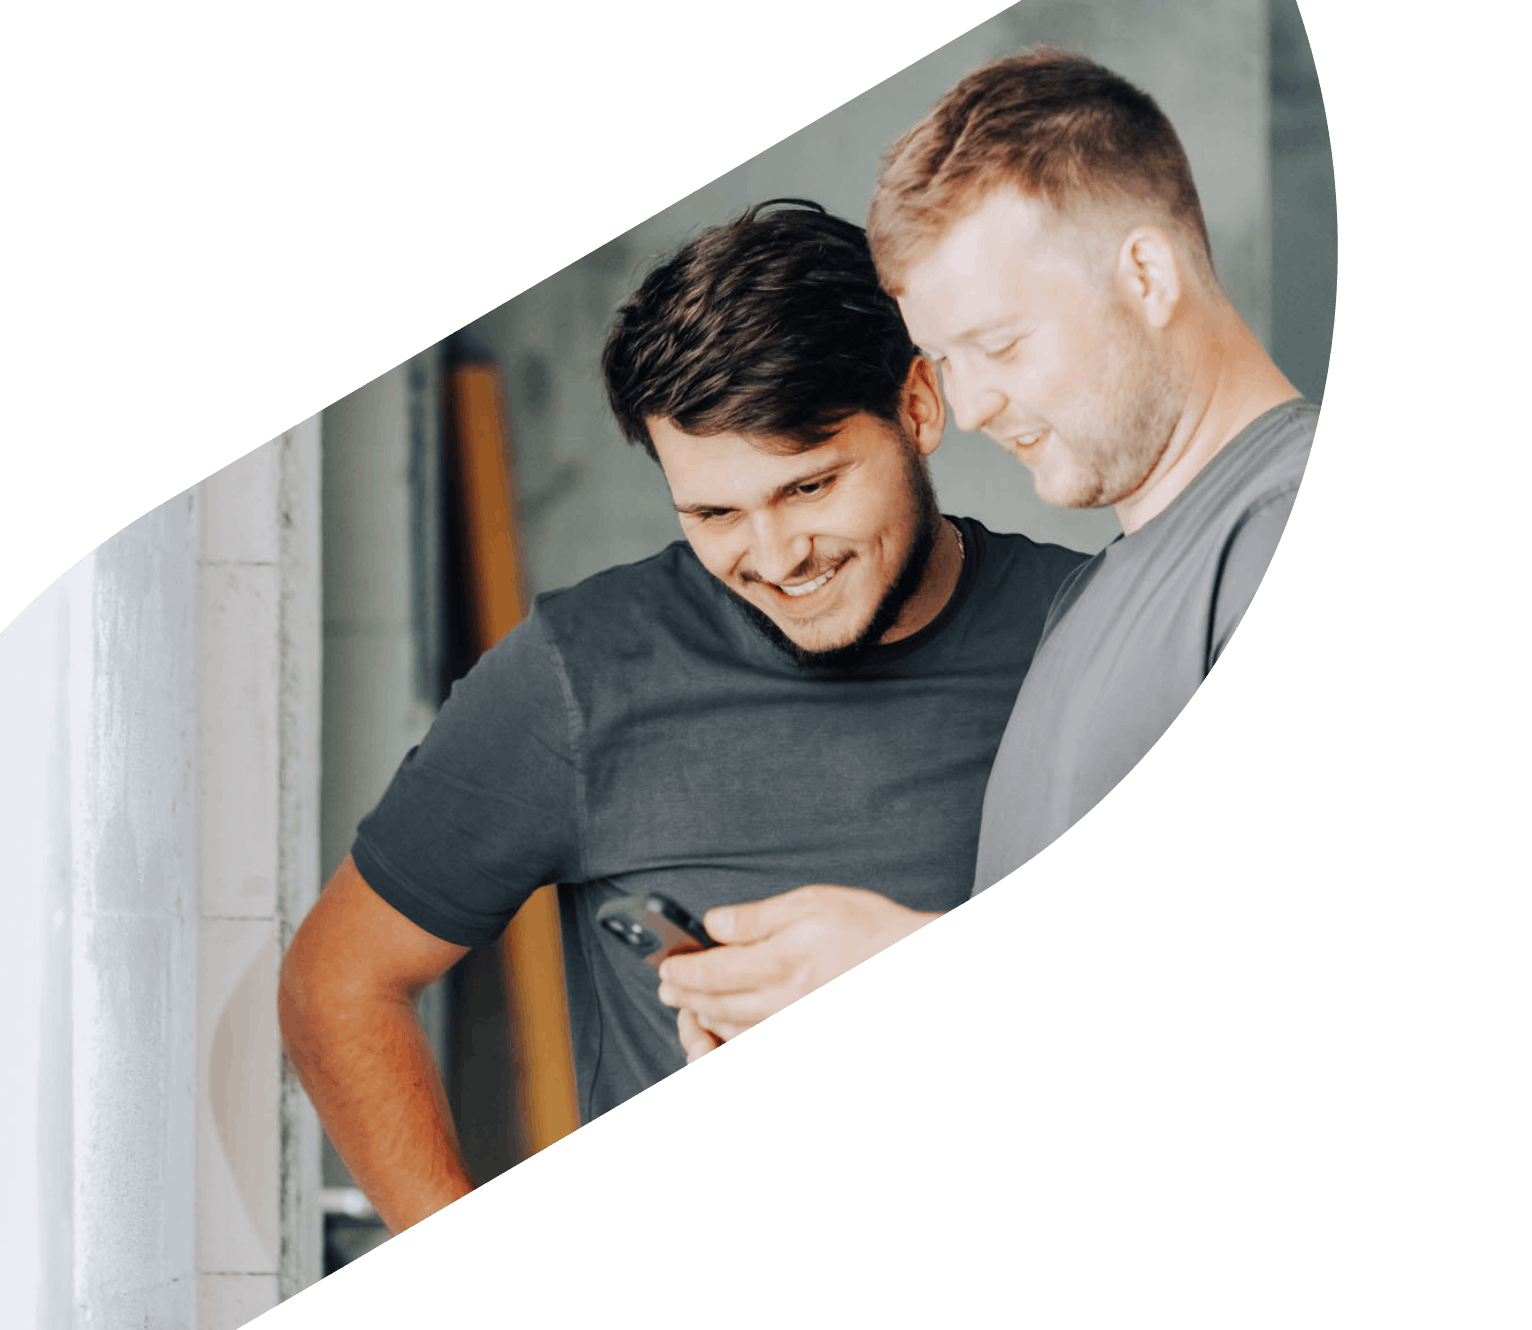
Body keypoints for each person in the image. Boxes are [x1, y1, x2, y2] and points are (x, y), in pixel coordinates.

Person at [278, 201, 1087, 1232]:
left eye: (810, 486)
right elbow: (337, 983)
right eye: (713, 513)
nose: (775, 557)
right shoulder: (582, 674)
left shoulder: (1094, 635)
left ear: (917, 408)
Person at [659, 50, 1321, 1056]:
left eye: (1002, 347)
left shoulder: (1281, 531)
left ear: (1145, 274)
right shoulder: (1096, 598)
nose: (969, 409)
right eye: (948, 363)